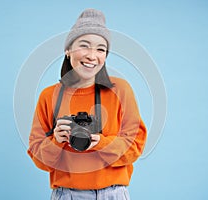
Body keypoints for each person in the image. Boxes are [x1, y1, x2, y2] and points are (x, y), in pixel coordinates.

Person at [28, 8, 147, 200]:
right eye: (84, 46)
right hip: (67, 194)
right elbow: (38, 159)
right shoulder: (49, 96)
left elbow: (135, 147)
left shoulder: (120, 91)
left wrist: (100, 142)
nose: (92, 56)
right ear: (68, 50)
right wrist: (56, 141)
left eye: (100, 49)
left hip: (113, 194)